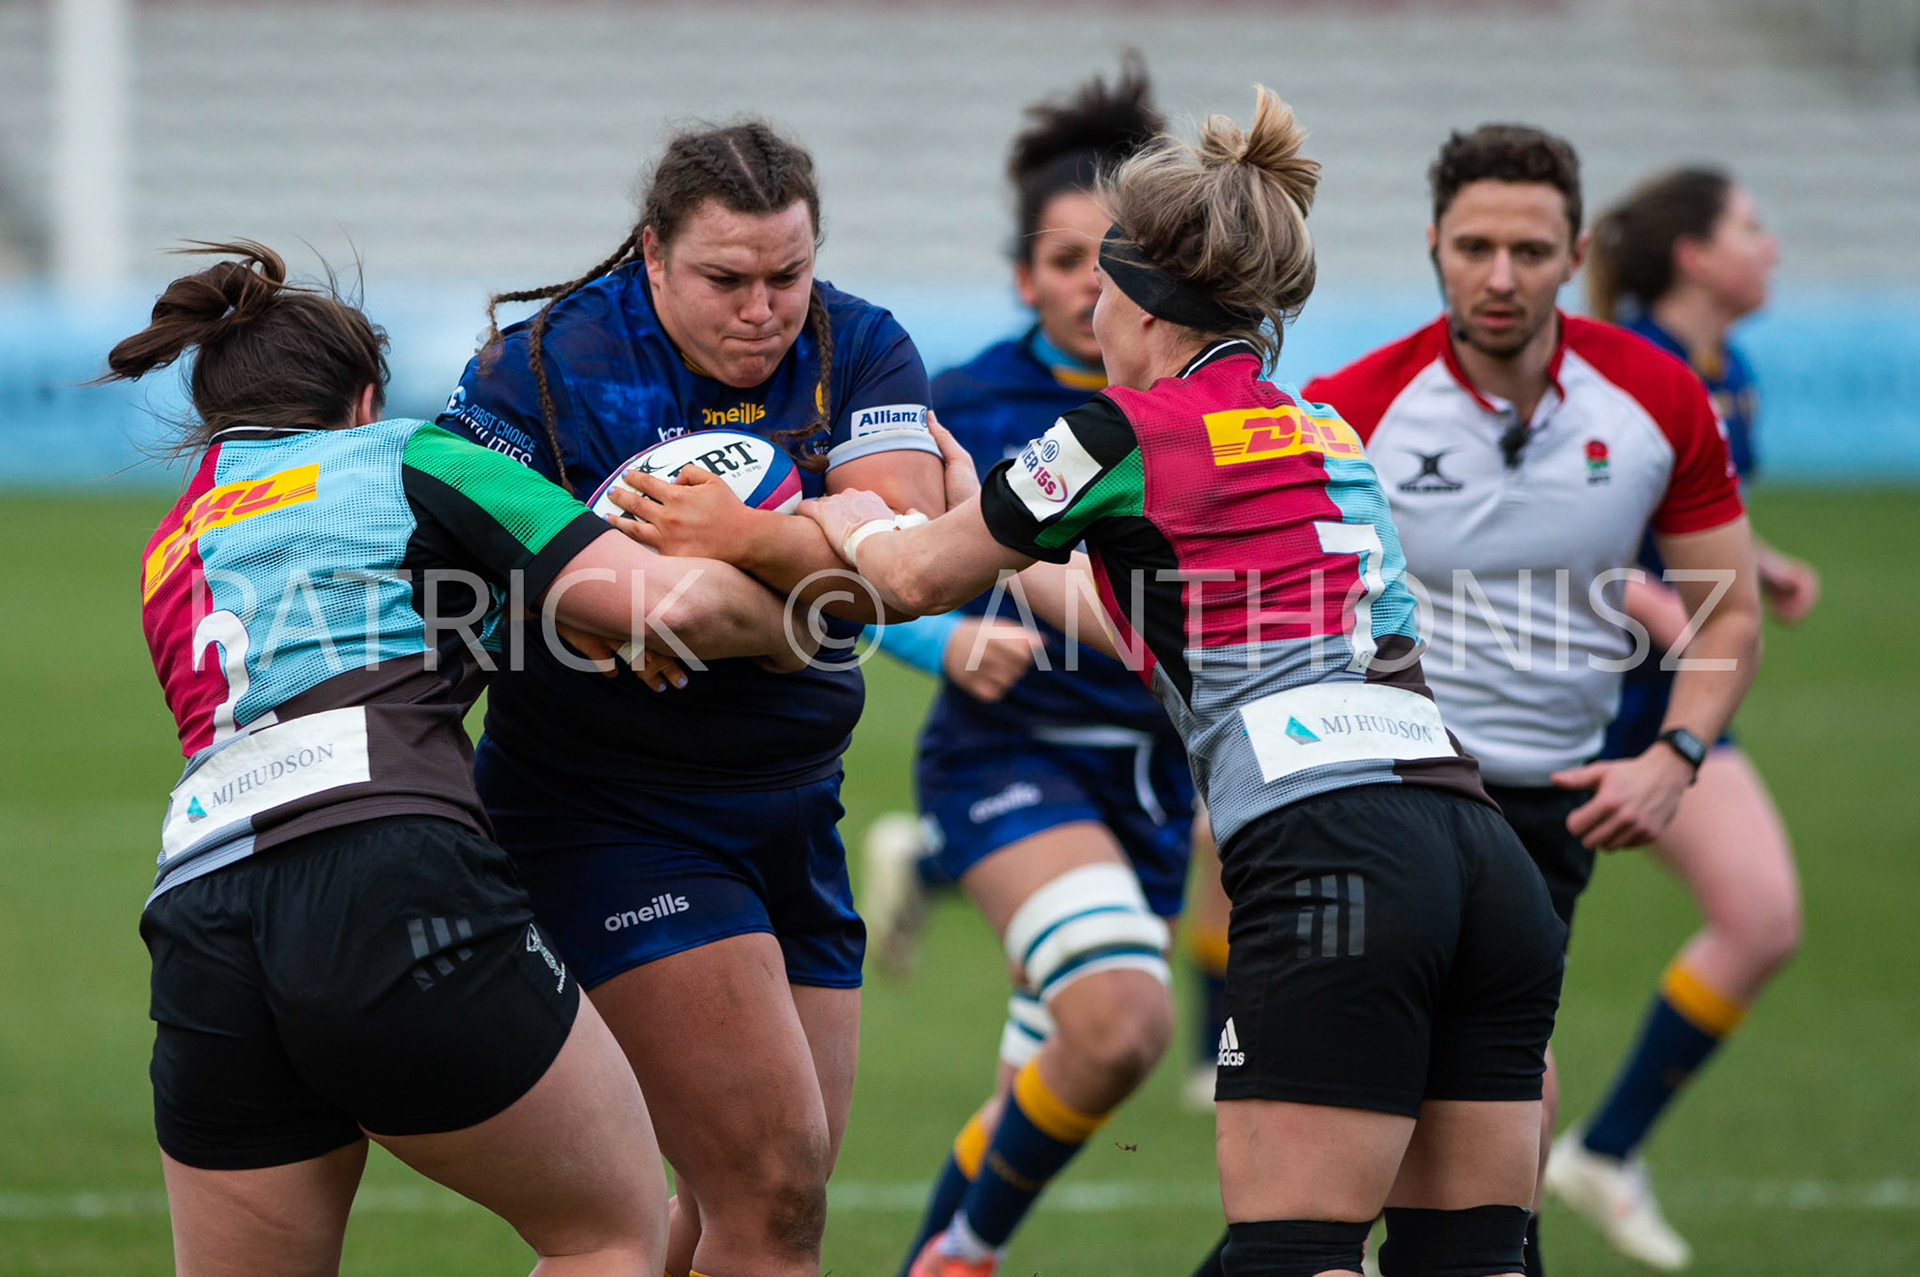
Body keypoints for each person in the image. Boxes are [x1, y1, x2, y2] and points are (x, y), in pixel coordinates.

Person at [794, 87, 1569, 1277]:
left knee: (1285, 1253)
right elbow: (1130, 616)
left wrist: (839, 520)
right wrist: (968, 504)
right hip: (1479, 864)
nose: (1088, 311)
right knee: (1467, 1261)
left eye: (1098, 285)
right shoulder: (1321, 433)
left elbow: (904, 583)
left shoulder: (1113, 432)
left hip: (1335, 861)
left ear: (1138, 296)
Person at [118, 242, 804, 1276]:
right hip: (388, 872)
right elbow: (676, 605)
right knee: (609, 1235)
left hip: (201, 920)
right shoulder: (414, 453)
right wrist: (820, 609)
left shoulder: (171, 544)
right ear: (363, 400)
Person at [437, 118, 946, 1277]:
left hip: (794, 804)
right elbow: (468, 565)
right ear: (653, 257)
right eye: (725, 279)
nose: (762, 308)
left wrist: (732, 544)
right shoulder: (546, 368)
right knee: (771, 1200)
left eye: (787, 275)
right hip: (610, 815)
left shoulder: (859, 345)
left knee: (750, 1201)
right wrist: (788, 555)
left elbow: (897, 561)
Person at [1300, 125, 1765, 1276]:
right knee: (1483, 1102)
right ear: (1433, 247)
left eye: (1528, 248)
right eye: (1473, 247)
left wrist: (1676, 753)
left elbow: (1730, 616)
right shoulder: (1352, 404)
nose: (1499, 276)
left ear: (1578, 251)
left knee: (1461, 1135)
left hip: (1554, 807)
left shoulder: (1659, 396)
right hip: (1394, 789)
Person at [850, 59, 1204, 1277]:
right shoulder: (966, 399)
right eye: (1062, 259)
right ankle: (961, 1257)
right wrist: (950, 636)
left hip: (1159, 779)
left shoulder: (1210, 407)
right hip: (1014, 756)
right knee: (1118, 1022)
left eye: (1111, 255)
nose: (1086, 280)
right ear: (1024, 275)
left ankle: (941, 1258)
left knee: (1042, 1084)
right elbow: (866, 563)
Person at [1542, 167, 1813, 1269]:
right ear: (1696, 255)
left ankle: (1604, 1152)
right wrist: (1645, 601)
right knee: (1493, 1011)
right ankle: (1366, 1218)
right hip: (1570, 705)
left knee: (1763, 917)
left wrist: (1766, 568)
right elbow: (1549, 527)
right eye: (1753, 226)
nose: (1774, 246)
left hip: (1685, 704)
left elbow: (1698, 528)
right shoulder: (1619, 373)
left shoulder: (1730, 371)